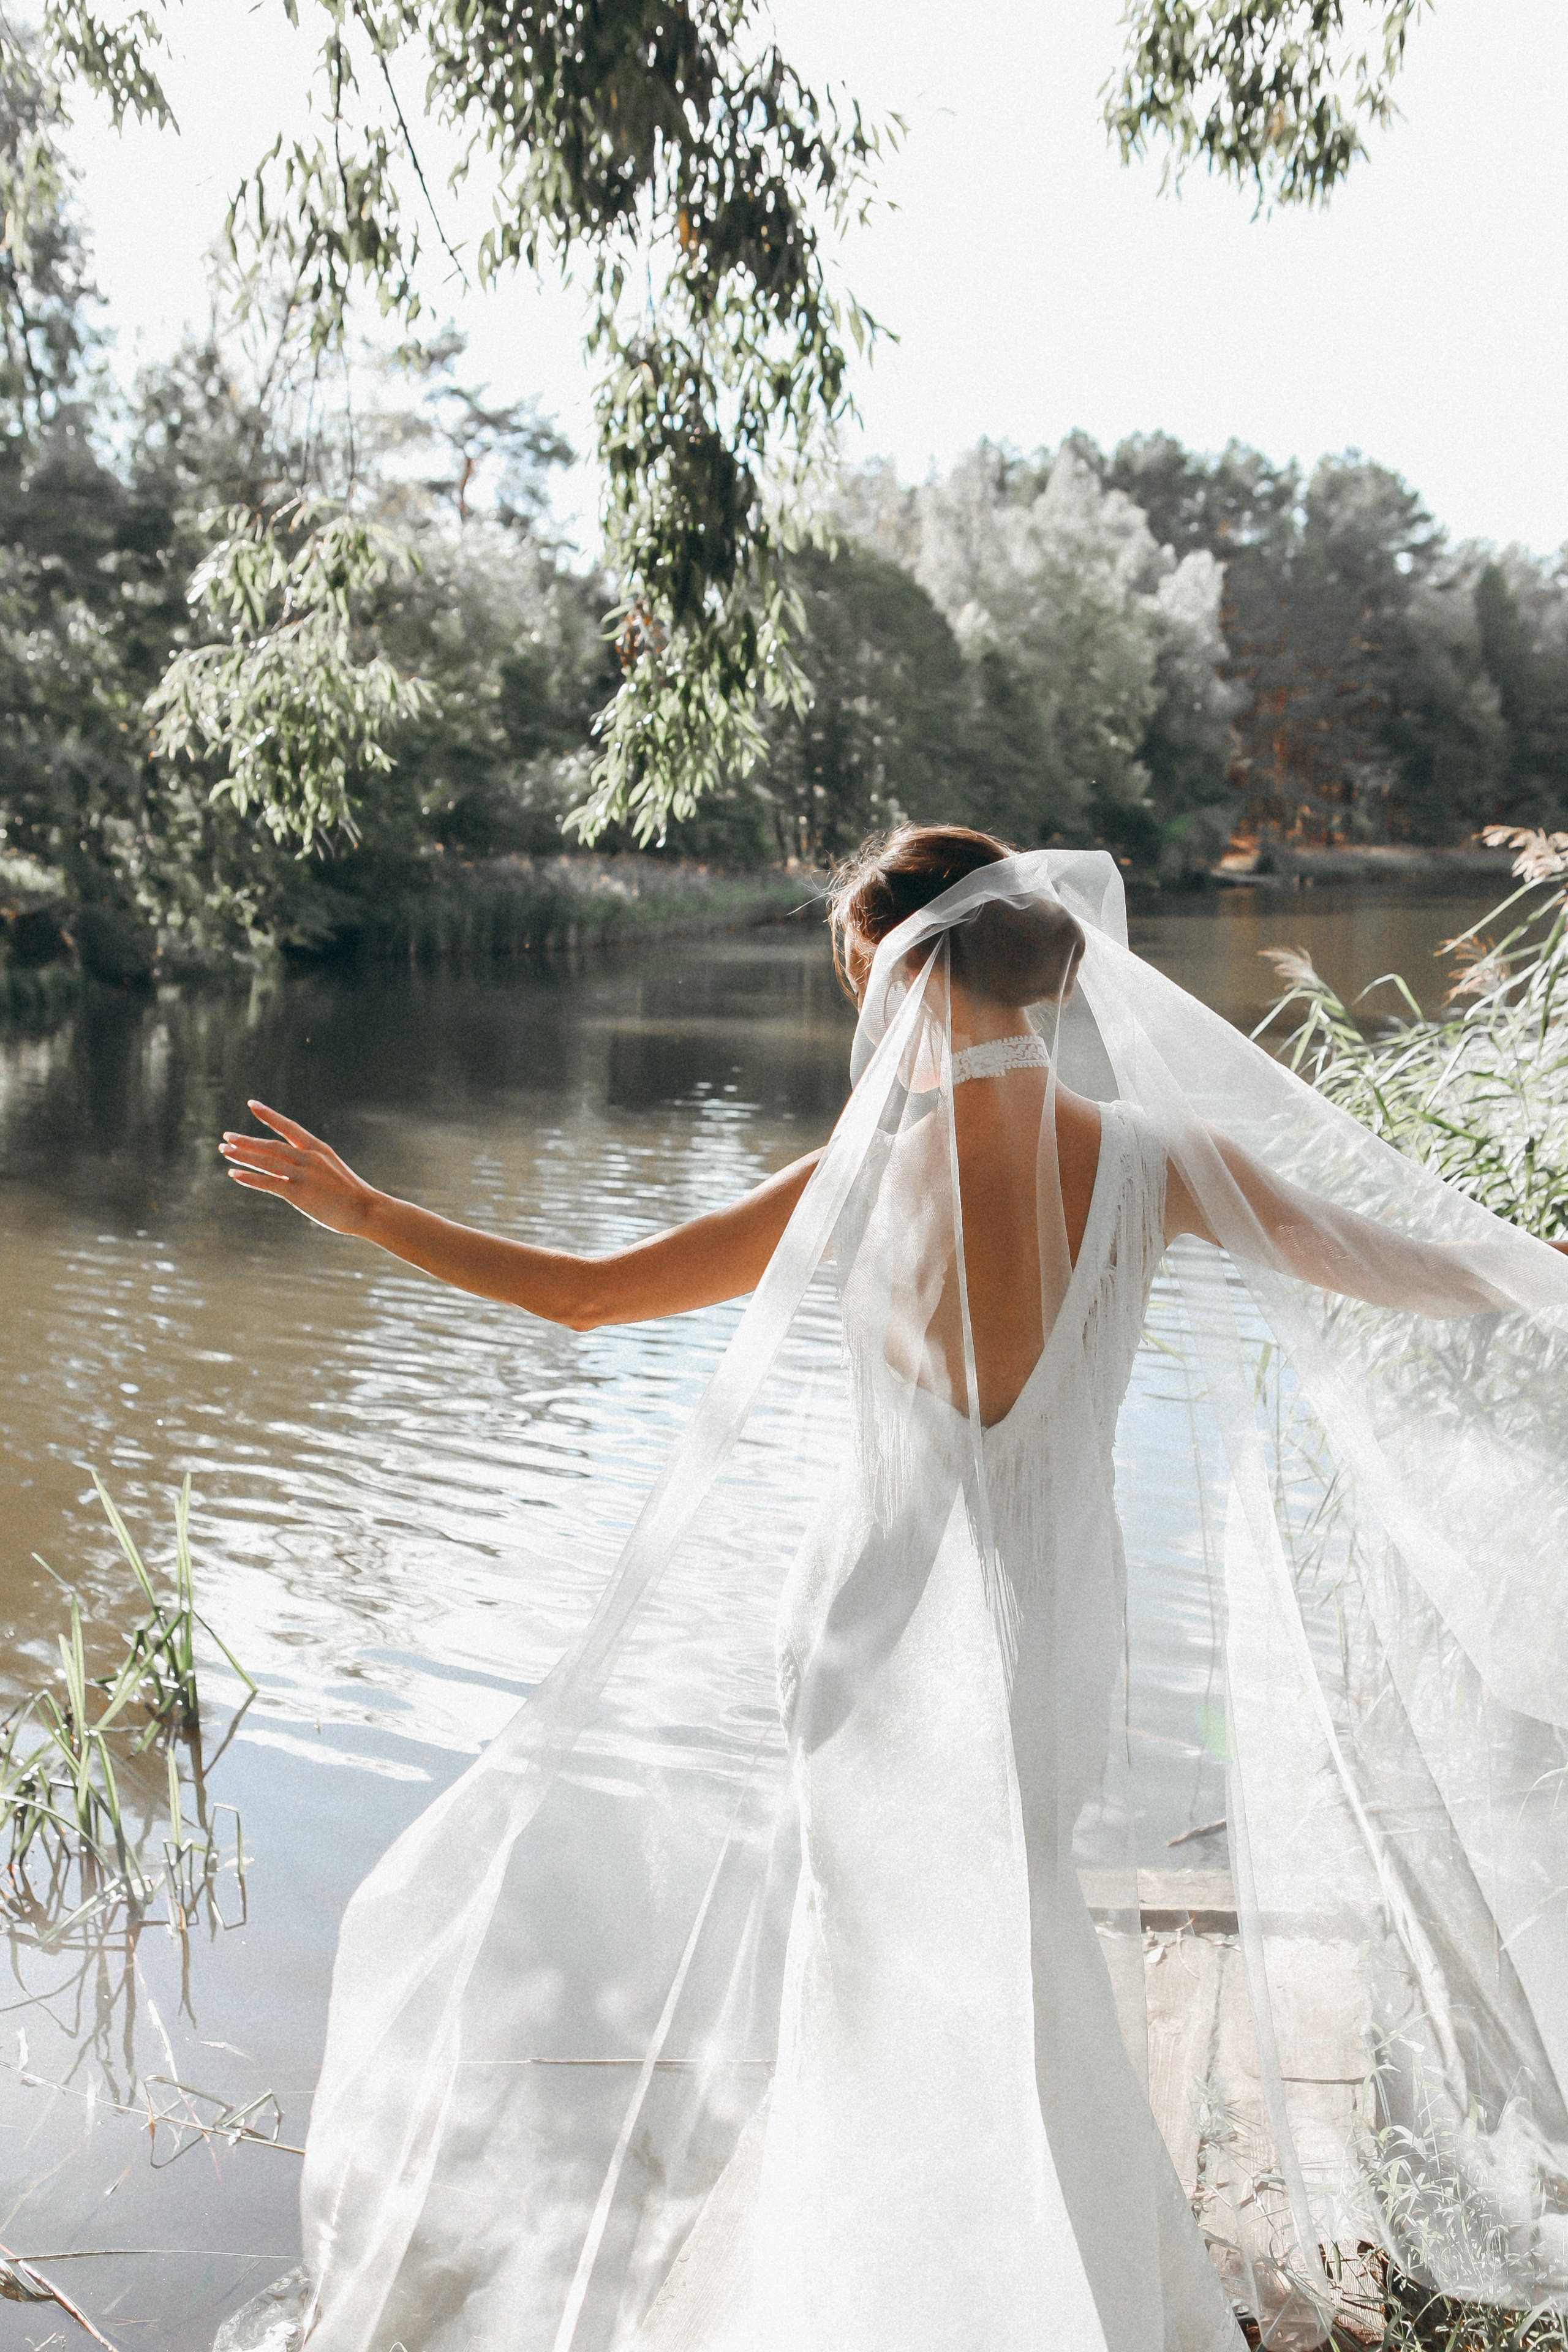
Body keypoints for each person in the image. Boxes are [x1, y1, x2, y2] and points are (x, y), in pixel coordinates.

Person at [222, 829, 1568, 2352]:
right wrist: (1549, 1270)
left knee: (868, 1965)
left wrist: (367, 1212)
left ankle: (871, 2292)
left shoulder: (855, 1178)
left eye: (862, 982)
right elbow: (1398, 1265)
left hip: (867, 1636)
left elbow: (588, 1297)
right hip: (1056, 1617)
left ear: (902, 982)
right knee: (1026, 1930)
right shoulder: (1159, 1162)